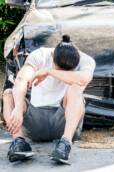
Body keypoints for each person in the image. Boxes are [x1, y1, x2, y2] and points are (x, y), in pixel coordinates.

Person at [2, 35, 96, 164]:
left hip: (63, 122)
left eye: (68, 71)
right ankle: (19, 142)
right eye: (59, 68)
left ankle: (65, 145)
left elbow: (84, 78)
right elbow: (22, 79)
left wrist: (49, 71)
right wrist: (18, 107)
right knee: (8, 93)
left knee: (76, 89)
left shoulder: (86, 60)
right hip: (35, 122)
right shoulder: (40, 55)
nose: (63, 74)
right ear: (52, 56)